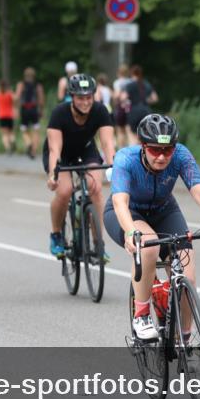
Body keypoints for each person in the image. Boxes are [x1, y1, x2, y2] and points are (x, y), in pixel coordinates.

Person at [105, 114, 200, 340]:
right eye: (154, 150)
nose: (161, 156)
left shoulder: (181, 154)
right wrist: (131, 231)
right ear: (143, 146)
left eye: (167, 150)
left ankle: (185, 338)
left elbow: (197, 187)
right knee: (148, 246)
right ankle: (142, 315)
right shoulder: (126, 158)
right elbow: (119, 201)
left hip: (164, 210)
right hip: (129, 212)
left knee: (187, 278)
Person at [45, 73, 116, 261]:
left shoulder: (100, 111)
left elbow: (108, 143)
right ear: (71, 97)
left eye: (89, 97)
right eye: (80, 98)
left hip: (85, 151)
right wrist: (53, 174)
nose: (85, 102)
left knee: (96, 188)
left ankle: (98, 243)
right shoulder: (59, 113)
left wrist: (114, 168)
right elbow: (54, 149)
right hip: (62, 154)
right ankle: (56, 234)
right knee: (65, 190)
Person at [121, 65, 158, 141]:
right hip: (146, 111)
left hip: (134, 112)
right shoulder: (146, 84)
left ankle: (135, 150)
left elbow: (123, 97)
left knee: (133, 135)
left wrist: (125, 103)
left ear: (131, 74)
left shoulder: (130, 85)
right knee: (145, 135)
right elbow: (155, 98)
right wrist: (146, 101)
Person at [15, 67, 45, 160]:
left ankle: (28, 143)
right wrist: (41, 110)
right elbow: (41, 99)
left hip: (24, 110)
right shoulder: (38, 85)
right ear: (34, 75)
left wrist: (16, 109)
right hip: (34, 109)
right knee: (36, 130)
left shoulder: (21, 84)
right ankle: (33, 151)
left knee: (24, 129)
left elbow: (17, 97)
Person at [0, 79, 16, 155]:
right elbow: (16, 99)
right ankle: (13, 141)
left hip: (1, 115)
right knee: (11, 132)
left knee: (4, 134)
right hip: (10, 115)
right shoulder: (9, 93)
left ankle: (8, 148)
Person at [112, 63, 133, 147]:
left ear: (118, 73)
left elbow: (117, 95)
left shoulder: (117, 82)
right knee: (129, 130)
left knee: (120, 130)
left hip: (121, 107)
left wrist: (114, 98)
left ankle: (121, 150)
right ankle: (130, 149)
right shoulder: (131, 82)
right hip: (130, 107)